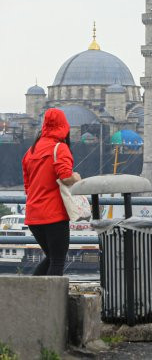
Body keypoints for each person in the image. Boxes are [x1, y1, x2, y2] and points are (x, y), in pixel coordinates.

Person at [22, 108, 81, 276]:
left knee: (51, 258)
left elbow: (28, 185)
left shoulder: (31, 151)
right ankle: (51, 301)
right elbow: (66, 177)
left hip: (34, 215)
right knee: (57, 261)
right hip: (54, 214)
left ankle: (33, 295)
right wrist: (77, 177)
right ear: (63, 126)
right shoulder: (59, 148)